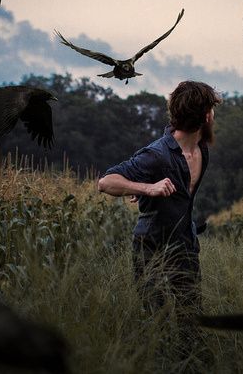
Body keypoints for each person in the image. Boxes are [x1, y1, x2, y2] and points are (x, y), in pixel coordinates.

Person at [98, 81, 221, 316]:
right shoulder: (157, 155)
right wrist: (147, 188)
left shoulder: (202, 150)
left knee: (191, 318)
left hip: (185, 246)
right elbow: (105, 182)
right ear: (206, 116)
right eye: (212, 109)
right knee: (156, 322)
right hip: (151, 248)